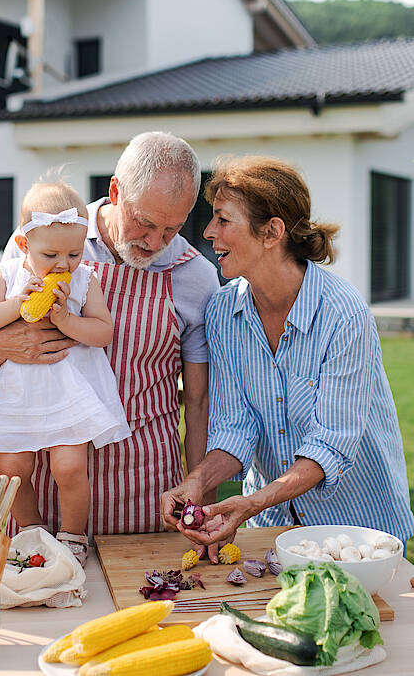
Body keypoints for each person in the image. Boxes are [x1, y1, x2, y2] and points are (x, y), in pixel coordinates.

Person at [0, 132, 220, 540]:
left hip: (146, 491)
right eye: (146, 222)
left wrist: (199, 491)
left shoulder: (197, 278)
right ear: (115, 191)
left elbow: (198, 399)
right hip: (49, 488)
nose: (154, 242)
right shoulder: (48, 235)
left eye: (171, 229)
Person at [161, 155, 414, 550]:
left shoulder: (343, 313)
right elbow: (235, 426)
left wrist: (252, 501)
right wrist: (197, 481)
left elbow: (331, 443)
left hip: (359, 529)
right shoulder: (223, 312)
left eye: (224, 220)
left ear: (271, 232)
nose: (209, 231)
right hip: (275, 529)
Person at [0, 179, 131, 565]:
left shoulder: (83, 278)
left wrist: (65, 320)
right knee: (12, 470)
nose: (64, 263)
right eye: (51, 254)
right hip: (19, 391)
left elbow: (103, 331)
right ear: (24, 245)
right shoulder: (8, 274)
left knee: (70, 466)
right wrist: (16, 307)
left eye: (74, 252)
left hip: (66, 388)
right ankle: (31, 531)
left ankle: (74, 535)